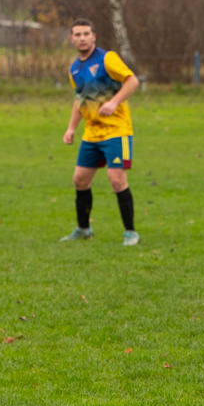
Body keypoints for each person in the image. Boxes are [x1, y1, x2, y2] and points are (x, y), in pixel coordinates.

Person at [61, 18, 140, 246]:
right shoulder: (74, 69)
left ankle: (130, 232)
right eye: (77, 34)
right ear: (72, 39)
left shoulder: (108, 58)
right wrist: (71, 128)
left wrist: (114, 102)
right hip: (92, 134)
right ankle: (84, 229)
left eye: (86, 34)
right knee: (80, 180)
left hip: (117, 131)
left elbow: (132, 81)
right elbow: (80, 100)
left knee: (116, 179)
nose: (82, 38)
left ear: (94, 36)